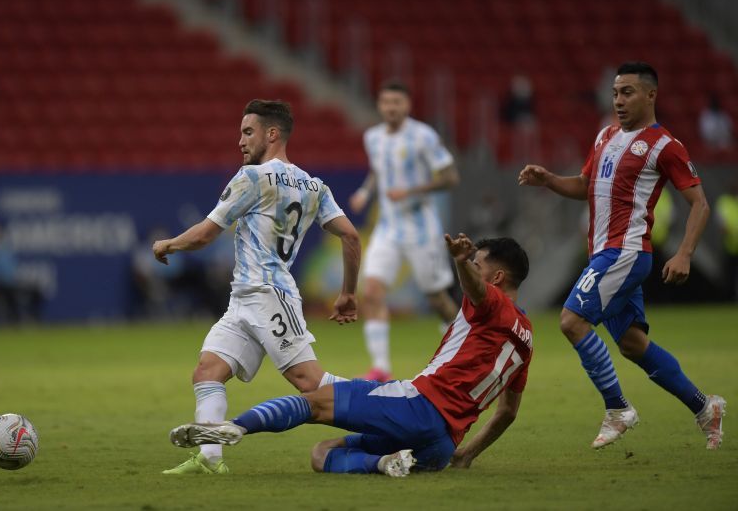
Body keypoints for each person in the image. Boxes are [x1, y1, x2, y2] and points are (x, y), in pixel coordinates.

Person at [168, 235, 533, 478]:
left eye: (479, 264)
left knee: (313, 404)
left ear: (497, 277)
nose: (474, 269)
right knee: (321, 454)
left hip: (418, 406)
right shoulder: (527, 340)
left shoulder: (493, 303)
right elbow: (507, 412)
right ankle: (383, 463)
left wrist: (459, 262)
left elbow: (478, 291)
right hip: (441, 445)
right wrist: (467, 453)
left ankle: (232, 427)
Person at [518, 61, 726, 450]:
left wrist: (684, 253)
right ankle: (704, 406)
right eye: (615, 93)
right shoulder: (605, 136)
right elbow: (584, 185)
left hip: (625, 251)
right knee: (632, 344)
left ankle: (618, 408)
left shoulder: (666, 146)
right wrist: (548, 180)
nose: (618, 100)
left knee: (570, 321)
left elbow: (700, 204)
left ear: (651, 94)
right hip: (603, 252)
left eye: (627, 92)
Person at [153, 100, 362, 475]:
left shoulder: (252, 177)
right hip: (245, 299)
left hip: (269, 296)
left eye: (247, 132)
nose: (240, 141)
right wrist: (348, 292)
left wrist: (167, 244)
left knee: (310, 383)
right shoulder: (315, 185)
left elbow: (204, 235)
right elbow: (349, 235)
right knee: (207, 371)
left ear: (272, 134)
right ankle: (209, 459)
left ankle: (390, 410)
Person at [349, 80, 460, 381]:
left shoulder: (423, 136)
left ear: (408, 106)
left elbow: (450, 177)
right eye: (386, 102)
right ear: (380, 105)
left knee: (437, 298)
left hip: (421, 229)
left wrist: (412, 190)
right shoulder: (372, 137)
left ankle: (461, 352)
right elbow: (378, 169)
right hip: (388, 228)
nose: (391, 108)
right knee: (371, 291)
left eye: (397, 102)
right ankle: (381, 368)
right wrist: (364, 191)